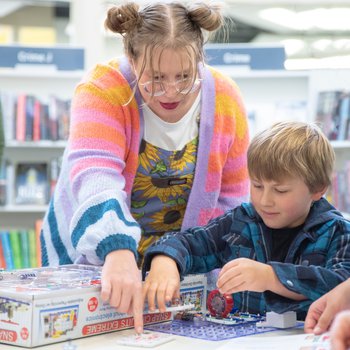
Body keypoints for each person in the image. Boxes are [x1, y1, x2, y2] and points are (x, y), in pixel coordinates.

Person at [40, 1, 250, 334]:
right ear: (131, 58)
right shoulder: (102, 89)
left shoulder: (225, 97)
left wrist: (181, 259)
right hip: (96, 250)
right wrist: (117, 248)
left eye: (184, 77)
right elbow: (96, 177)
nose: (170, 92)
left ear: (199, 59)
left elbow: (232, 202)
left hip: (177, 262)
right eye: (155, 79)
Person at [142, 121, 350, 318]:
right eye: (257, 186)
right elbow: (188, 243)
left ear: (318, 189)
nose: (265, 200)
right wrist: (165, 261)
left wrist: (271, 277)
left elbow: (340, 286)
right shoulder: (241, 221)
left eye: (280, 190)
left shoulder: (338, 232)